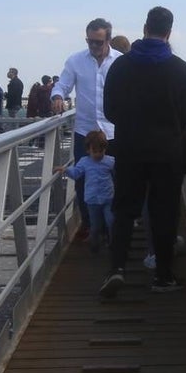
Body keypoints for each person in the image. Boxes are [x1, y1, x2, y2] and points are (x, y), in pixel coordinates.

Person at [100, 6, 186, 297]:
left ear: (144, 29)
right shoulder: (181, 69)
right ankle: (163, 276)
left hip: (130, 149)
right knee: (164, 213)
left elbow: (110, 111)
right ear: (168, 32)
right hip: (168, 152)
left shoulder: (121, 67)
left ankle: (116, 269)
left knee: (124, 210)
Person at [51, 18, 122, 240]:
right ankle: (90, 224)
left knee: (116, 178)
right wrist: (57, 96)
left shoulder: (120, 62)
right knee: (82, 178)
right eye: (90, 41)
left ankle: (114, 224)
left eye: (98, 42)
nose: (93, 46)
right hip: (86, 131)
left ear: (108, 39)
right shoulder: (75, 61)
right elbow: (62, 84)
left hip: (113, 131)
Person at [55, 130, 116, 254]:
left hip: (108, 198)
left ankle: (113, 244)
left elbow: (117, 174)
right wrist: (66, 170)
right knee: (95, 226)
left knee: (111, 222)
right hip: (92, 199)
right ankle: (95, 244)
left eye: (101, 151)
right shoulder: (84, 162)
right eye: (95, 151)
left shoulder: (110, 161)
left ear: (105, 149)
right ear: (88, 150)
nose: (98, 154)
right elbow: (77, 173)